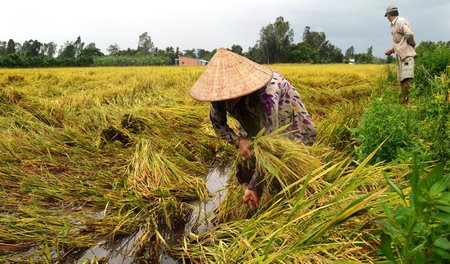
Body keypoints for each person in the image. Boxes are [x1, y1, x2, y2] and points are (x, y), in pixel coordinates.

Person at [190, 48, 317, 210]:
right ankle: (256, 201)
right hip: (252, 122)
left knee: (287, 167)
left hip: (287, 122)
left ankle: (290, 207)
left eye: (232, 94)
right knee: (246, 162)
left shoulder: (267, 95)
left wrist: (253, 186)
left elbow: (271, 148)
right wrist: (239, 141)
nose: (227, 98)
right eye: (224, 95)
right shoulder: (219, 95)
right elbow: (218, 124)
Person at [384, 5, 417, 105]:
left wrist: (411, 44)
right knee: (402, 79)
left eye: (387, 16)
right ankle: (404, 102)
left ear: (389, 15)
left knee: (406, 79)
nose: (387, 18)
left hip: (407, 55)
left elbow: (410, 34)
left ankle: (406, 102)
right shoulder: (393, 25)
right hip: (401, 56)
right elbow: (399, 42)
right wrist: (392, 50)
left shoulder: (400, 21)